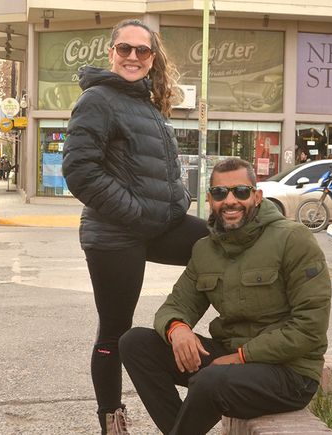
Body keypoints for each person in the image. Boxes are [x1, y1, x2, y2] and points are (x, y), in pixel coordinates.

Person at [61, 19, 209, 435]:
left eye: (142, 51)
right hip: (113, 235)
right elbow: (80, 171)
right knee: (114, 329)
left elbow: (160, 169)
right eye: (124, 49)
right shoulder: (98, 100)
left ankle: (220, 348)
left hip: (155, 223)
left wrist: (179, 200)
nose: (132, 57)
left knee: (217, 246)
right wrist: (136, 211)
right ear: (111, 53)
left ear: (152, 58)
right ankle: (111, 419)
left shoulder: (147, 101)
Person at [120, 158, 332, 435]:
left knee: (209, 381)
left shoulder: (293, 239)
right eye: (220, 193)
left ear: (257, 196)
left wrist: (243, 356)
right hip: (230, 361)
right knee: (135, 343)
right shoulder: (205, 250)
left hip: (289, 373)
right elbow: (177, 304)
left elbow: (310, 327)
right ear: (210, 199)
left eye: (240, 192)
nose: (230, 200)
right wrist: (177, 328)